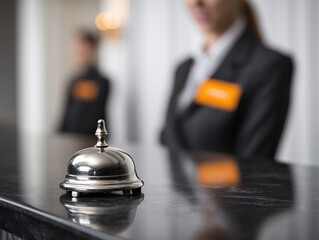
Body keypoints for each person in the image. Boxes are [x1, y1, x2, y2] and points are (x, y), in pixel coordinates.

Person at [161, 0, 294, 158]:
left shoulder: (270, 66)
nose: (196, 2)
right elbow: (167, 137)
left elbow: (254, 161)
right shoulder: (183, 69)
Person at [60, 30, 110, 135]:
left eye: (83, 49)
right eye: (76, 48)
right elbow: (66, 114)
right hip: (70, 139)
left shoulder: (101, 81)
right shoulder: (73, 81)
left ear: (92, 50)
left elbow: (93, 116)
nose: (79, 52)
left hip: (90, 140)